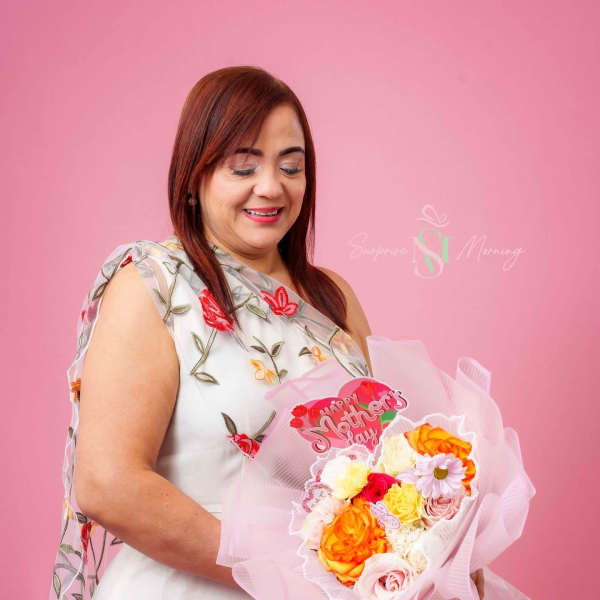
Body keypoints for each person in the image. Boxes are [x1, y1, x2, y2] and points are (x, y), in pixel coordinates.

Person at [49, 65, 484, 599]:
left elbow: (389, 461)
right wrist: (285, 576)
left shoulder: (332, 296)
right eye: (243, 167)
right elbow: (106, 484)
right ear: (193, 176)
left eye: (291, 166)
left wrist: (438, 544)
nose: (272, 186)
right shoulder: (154, 283)